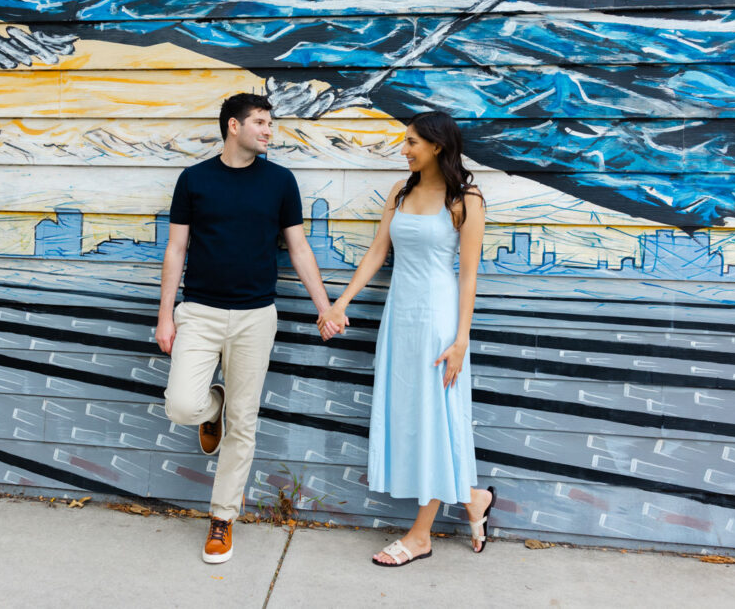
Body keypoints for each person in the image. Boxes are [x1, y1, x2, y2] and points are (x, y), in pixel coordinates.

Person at [156, 92, 339, 564]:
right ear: (233, 126)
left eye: (270, 123)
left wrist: (324, 307)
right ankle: (209, 403)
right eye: (260, 122)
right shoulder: (194, 179)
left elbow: (298, 249)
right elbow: (176, 249)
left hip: (257, 316)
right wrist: (164, 314)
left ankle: (222, 517)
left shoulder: (280, 181)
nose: (268, 130)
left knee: (244, 423)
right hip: (199, 312)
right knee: (181, 405)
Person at [318, 110, 496, 566]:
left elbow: (469, 277)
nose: (404, 150)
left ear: (437, 146)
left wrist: (461, 341)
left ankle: (420, 535)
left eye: (412, 142)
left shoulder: (466, 199)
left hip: (439, 322)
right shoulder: (401, 191)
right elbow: (379, 251)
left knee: (436, 418)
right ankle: (473, 497)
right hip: (400, 318)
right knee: (412, 417)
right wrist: (341, 303)